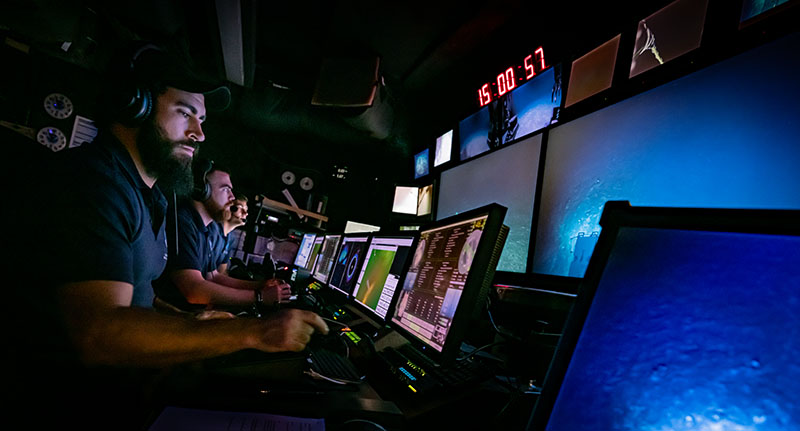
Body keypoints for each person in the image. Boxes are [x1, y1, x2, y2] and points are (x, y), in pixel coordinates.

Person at [14, 42, 328, 428]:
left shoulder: (148, 198)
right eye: (185, 113)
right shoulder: (94, 184)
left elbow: (137, 293)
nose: (199, 134)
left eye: (202, 122)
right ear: (136, 106)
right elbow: (98, 333)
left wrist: (186, 320)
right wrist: (252, 330)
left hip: (130, 393)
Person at [154, 160, 291, 312]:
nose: (233, 198)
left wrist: (261, 286)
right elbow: (193, 290)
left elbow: (213, 277)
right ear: (201, 189)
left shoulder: (206, 230)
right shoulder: (182, 222)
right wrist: (259, 296)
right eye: (226, 190)